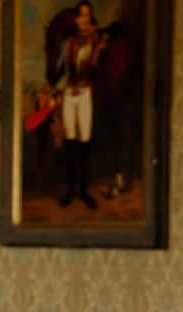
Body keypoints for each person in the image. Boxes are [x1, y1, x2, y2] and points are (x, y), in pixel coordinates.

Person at [53, 0, 108, 209]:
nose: (85, 18)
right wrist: (49, 88)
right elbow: (61, 70)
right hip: (69, 94)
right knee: (69, 141)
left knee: (85, 142)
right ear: (76, 19)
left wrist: (99, 46)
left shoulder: (97, 40)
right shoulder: (69, 43)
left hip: (85, 94)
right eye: (81, 15)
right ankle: (70, 189)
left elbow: (98, 68)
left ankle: (83, 191)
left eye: (88, 14)